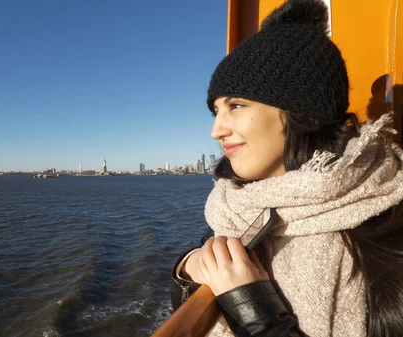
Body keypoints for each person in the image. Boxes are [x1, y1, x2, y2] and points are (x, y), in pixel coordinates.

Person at [170, 0, 403, 336]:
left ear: (302, 110)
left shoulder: (387, 232)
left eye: (236, 105)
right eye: (216, 111)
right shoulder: (237, 214)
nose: (215, 130)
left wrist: (257, 312)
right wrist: (187, 268)